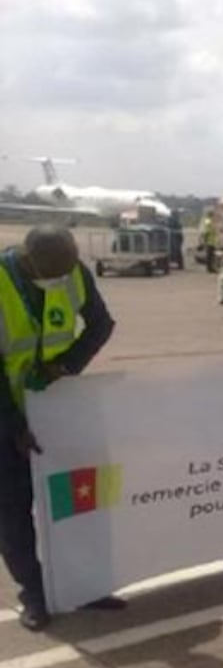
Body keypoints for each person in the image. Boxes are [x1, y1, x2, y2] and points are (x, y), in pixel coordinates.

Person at [0, 225, 119, 631]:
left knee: (78, 499)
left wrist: (65, 366)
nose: (63, 277)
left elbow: (101, 324)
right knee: (13, 512)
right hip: (6, 411)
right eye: (54, 269)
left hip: (60, 409)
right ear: (29, 258)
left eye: (69, 268)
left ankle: (85, 585)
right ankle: (33, 594)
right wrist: (14, 425)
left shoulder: (72, 272)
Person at [200, 209, 219, 273]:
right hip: (209, 241)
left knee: (210, 255)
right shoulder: (208, 220)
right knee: (210, 256)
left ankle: (210, 268)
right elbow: (206, 231)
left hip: (212, 241)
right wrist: (205, 240)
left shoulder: (209, 220)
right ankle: (209, 268)